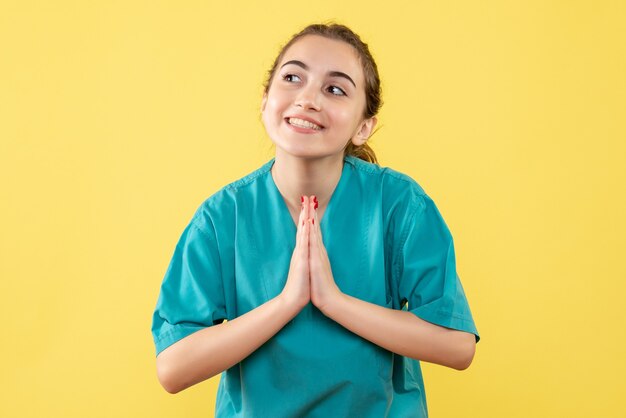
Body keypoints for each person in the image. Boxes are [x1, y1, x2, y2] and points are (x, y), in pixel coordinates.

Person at [151, 23, 480, 417]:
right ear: (265, 100)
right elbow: (172, 367)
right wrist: (288, 301)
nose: (307, 99)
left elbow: (457, 346)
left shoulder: (399, 205)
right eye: (292, 78)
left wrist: (333, 301)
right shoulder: (223, 217)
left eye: (335, 88)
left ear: (364, 126)